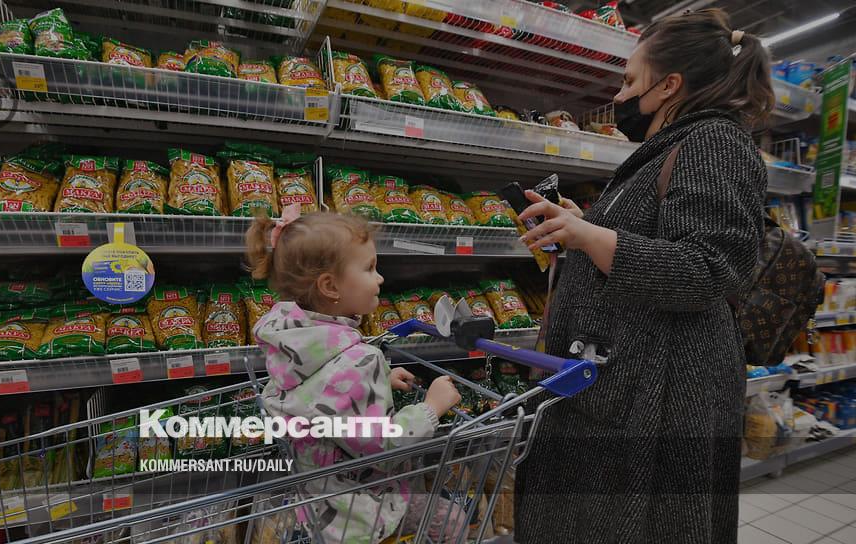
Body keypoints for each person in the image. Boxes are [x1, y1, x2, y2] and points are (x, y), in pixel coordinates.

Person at [513, 9, 773, 544]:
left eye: (631, 81)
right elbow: (660, 244)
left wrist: (590, 237)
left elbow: (707, 268)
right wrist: (584, 226)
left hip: (659, 399)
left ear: (669, 85)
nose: (621, 94)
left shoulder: (713, 142)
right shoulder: (672, 146)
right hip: (633, 388)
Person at [245, 205, 467, 544]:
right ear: (330, 286)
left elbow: (317, 391)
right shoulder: (362, 359)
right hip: (363, 511)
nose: (380, 278)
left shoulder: (292, 338)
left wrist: (378, 383)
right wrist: (431, 407)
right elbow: (385, 445)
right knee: (451, 520)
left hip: (318, 501)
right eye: (369, 268)